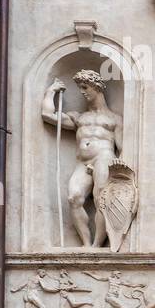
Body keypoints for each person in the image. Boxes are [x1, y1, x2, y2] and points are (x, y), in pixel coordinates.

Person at [42, 70, 123, 248]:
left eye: (85, 87)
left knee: (101, 198)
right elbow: (48, 116)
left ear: (97, 87)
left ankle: (96, 245)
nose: (83, 92)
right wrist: (51, 91)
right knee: (74, 197)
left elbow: (122, 147)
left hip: (104, 157)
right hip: (83, 161)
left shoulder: (114, 119)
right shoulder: (78, 117)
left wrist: (118, 165)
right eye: (80, 88)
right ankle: (86, 244)